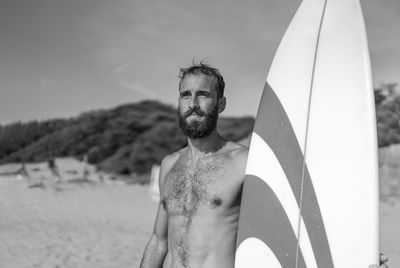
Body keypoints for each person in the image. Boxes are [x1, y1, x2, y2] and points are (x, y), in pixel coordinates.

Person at [140, 62, 389, 268]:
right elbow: (158, 241)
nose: (193, 103)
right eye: (186, 95)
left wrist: (355, 257)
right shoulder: (169, 165)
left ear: (221, 104)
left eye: (203, 94)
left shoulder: (246, 161)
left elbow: (300, 217)